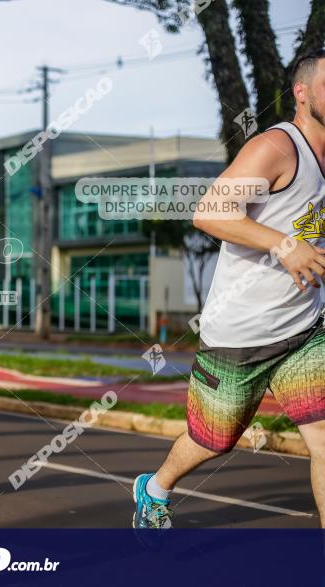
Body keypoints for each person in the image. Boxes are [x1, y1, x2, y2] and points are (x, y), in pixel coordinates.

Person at [133, 49, 325, 530]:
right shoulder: (278, 148)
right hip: (240, 332)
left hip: (304, 328)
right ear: (302, 94)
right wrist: (284, 246)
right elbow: (209, 213)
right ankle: (154, 490)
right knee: (214, 439)